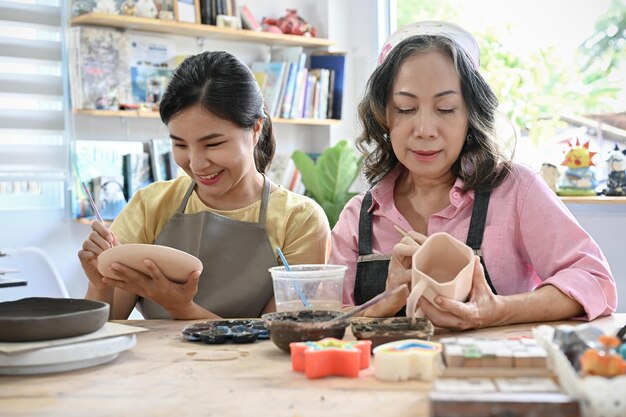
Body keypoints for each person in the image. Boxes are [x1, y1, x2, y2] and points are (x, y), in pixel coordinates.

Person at [330, 21, 617, 330]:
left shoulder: (515, 191)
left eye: (446, 109)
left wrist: (499, 310)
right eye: (406, 108)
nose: (425, 130)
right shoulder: (359, 217)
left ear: (471, 114)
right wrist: (384, 304)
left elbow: (594, 281)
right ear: (384, 115)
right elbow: (325, 318)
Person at [79, 51, 331, 320]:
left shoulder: (300, 220)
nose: (196, 164)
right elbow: (108, 326)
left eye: (212, 144)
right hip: (156, 363)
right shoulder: (150, 205)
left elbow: (276, 336)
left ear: (256, 129)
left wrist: (181, 307)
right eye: (180, 144)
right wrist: (100, 284)